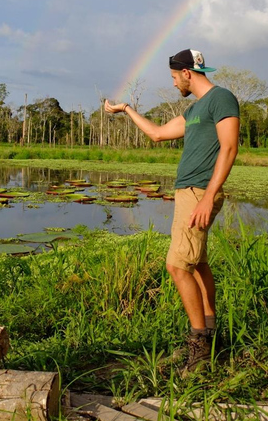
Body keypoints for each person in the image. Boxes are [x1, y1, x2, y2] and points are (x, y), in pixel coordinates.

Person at [104, 48, 240, 373]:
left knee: (177, 266)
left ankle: (199, 351)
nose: (174, 82)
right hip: (188, 192)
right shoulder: (195, 110)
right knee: (198, 264)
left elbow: (230, 146)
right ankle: (210, 335)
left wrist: (208, 197)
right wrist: (126, 109)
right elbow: (157, 134)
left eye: (174, 77)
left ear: (187, 73)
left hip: (199, 192)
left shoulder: (221, 99)